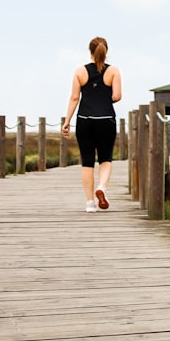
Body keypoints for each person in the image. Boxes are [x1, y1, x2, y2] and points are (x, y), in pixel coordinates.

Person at [62, 36, 122, 213]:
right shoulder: (114, 72)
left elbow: (74, 98)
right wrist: (104, 97)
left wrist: (67, 121)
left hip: (84, 120)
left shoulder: (80, 72)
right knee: (105, 158)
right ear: (106, 51)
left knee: (87, 162)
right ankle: (102, 187)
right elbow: (117, 96)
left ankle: (90, 203)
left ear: (90, 51)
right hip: (106, 120)